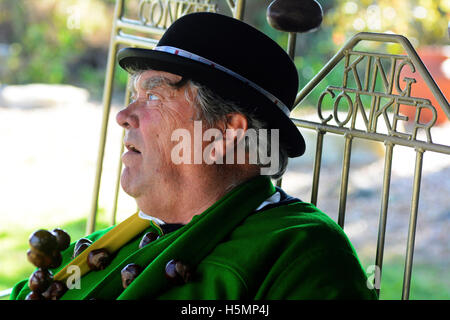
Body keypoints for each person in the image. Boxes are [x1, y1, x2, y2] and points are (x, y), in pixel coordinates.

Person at [11, 12, 377, 300]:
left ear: (224, 132)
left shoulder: (301, 257)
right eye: (134, 95)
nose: (124, 116)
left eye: (153, 96)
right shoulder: (125, 240)